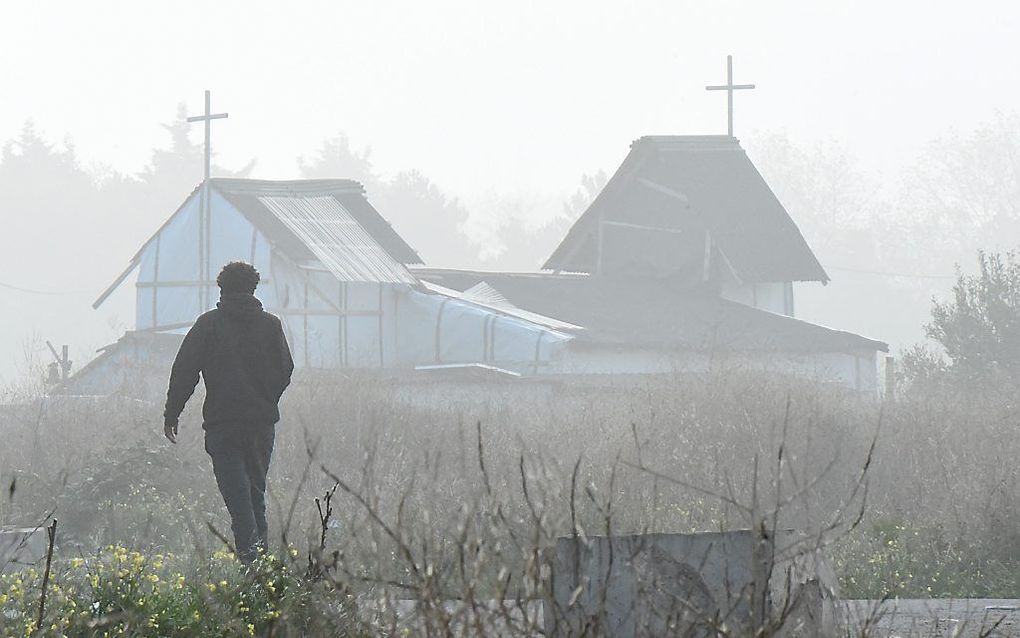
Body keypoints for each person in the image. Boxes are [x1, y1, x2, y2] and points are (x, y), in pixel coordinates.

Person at [163, 261, 294, 562]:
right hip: (261, 426)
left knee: (239, 502)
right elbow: (285, 370)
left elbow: (184, 371)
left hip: (223, 427)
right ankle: (262, 574)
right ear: (253, 289)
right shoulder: (271, 325)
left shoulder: (208, 325)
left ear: (222, 289)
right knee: (254, 497)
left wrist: (172, 413)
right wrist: (264, 399)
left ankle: (252, 568)